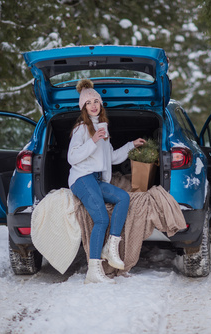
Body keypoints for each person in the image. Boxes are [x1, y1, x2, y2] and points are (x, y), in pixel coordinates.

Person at [68, 78, 146, 284]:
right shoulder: (81, 129)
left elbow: (109, 158)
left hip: (96, 178)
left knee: (122, 197)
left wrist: (131, 145)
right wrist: (93, 141)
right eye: (88, 103)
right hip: (81, 178)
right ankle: (93, 271)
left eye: (96, 101)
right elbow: (72, 157)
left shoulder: (103, 128)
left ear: (101, 104)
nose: (93, 105)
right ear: (83, 107)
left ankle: (110, 248)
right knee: (101, 218)